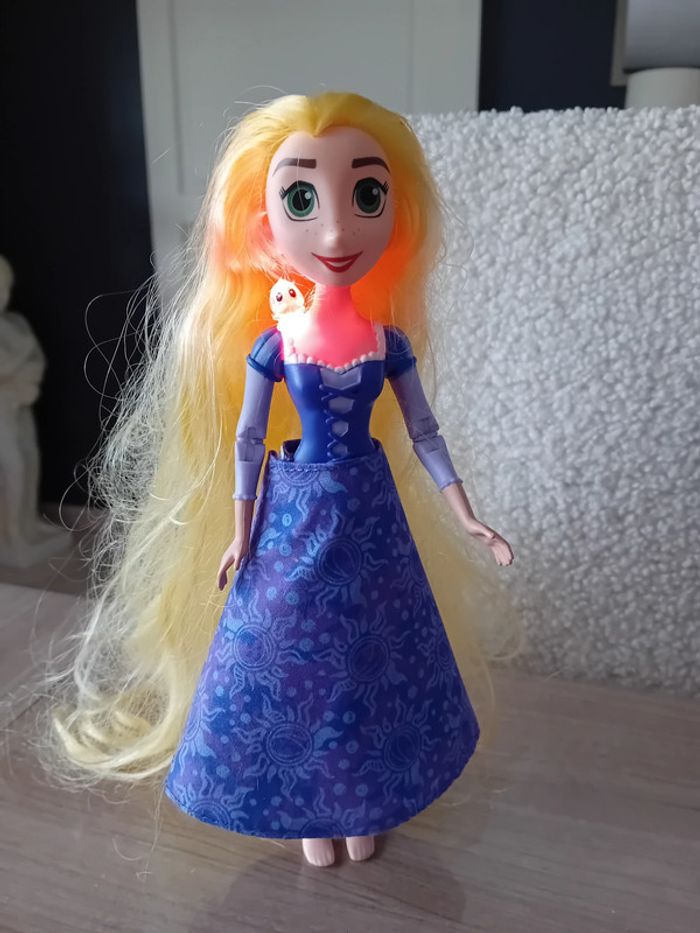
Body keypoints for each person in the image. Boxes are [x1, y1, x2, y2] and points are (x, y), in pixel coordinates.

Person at [48, 92, 517, 869]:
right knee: (288, 652)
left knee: (372, 650)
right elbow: (247, 438)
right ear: (263, 224)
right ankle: (308, 808)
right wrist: (240, 532)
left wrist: (466, 515)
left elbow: (425, 432)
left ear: (396, 212)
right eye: (302, 199)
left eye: (366, 195)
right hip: (295, 507)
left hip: (368, 506)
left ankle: (365, 799)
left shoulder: (387, 342)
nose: (334, 231)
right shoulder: (276, 344)